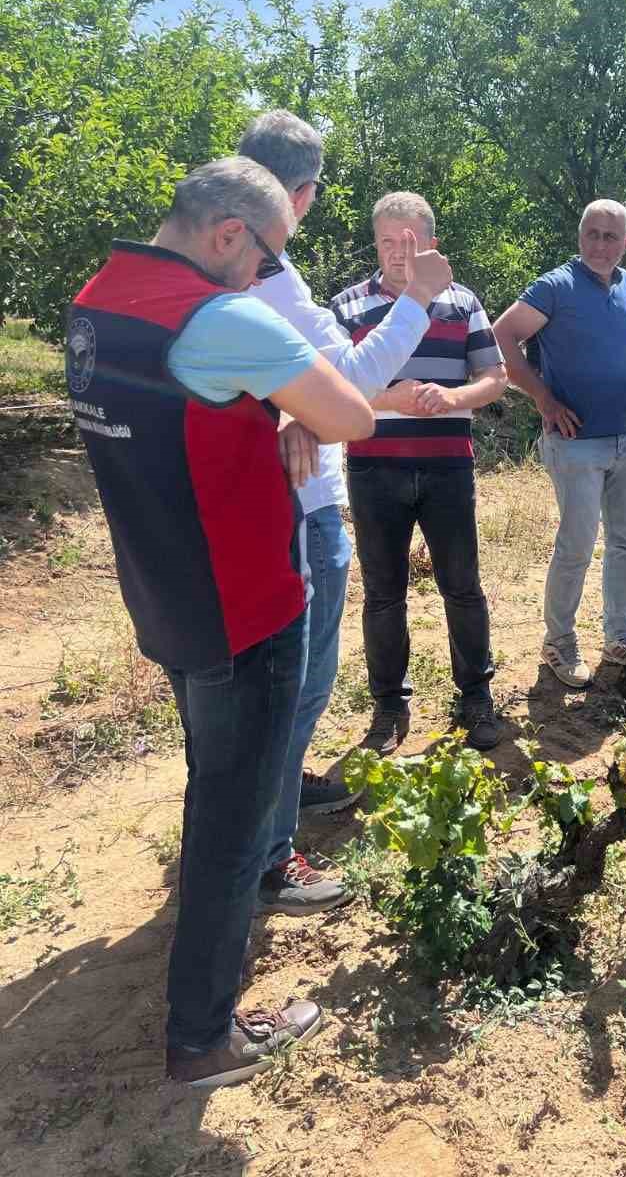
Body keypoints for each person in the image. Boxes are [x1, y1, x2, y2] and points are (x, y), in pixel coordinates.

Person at [68, 158, 376, 1088]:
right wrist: (294, 407)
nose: (266, 280)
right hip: (244, 603)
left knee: (215, 785)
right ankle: (204, 1035)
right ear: (229, 234)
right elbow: (352, 415)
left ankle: (210, 959)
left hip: (166, 591)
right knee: (234, 817)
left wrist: (273, 408)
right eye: (268, 255)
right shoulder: (221, 318)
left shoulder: (98, 300)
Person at [238, 113, 452, 914]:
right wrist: (420, 304)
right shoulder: (275, 279)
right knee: (298, 683)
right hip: (303, 509)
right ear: (304, 195)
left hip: (277, 495)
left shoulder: (229, 266)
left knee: (280, 680)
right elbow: (354, 385)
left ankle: (276, 801)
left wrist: (303, 408)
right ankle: (268, 853)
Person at [331, 191, 508, 755]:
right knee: (383, 594)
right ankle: (387, 707)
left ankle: (476, 696)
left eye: (408, 243)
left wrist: (451, 396)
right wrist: (394, 400)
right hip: (373, 469)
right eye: (386, 241)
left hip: (446, 468)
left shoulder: (462, 302)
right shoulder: (347, 307)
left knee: (462, 586)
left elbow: (495, 378)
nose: (397, 254)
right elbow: (334, 390)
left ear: (430, 243)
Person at [493, 200, 626, 688]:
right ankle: (559, 642)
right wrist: (543, 399)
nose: (601, 244)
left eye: (611, 237)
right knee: (576, 547)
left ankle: (619, 634)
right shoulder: (554, 287)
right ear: (580, 235)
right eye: (593, 233)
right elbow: (502, 335)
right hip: (576, 444)